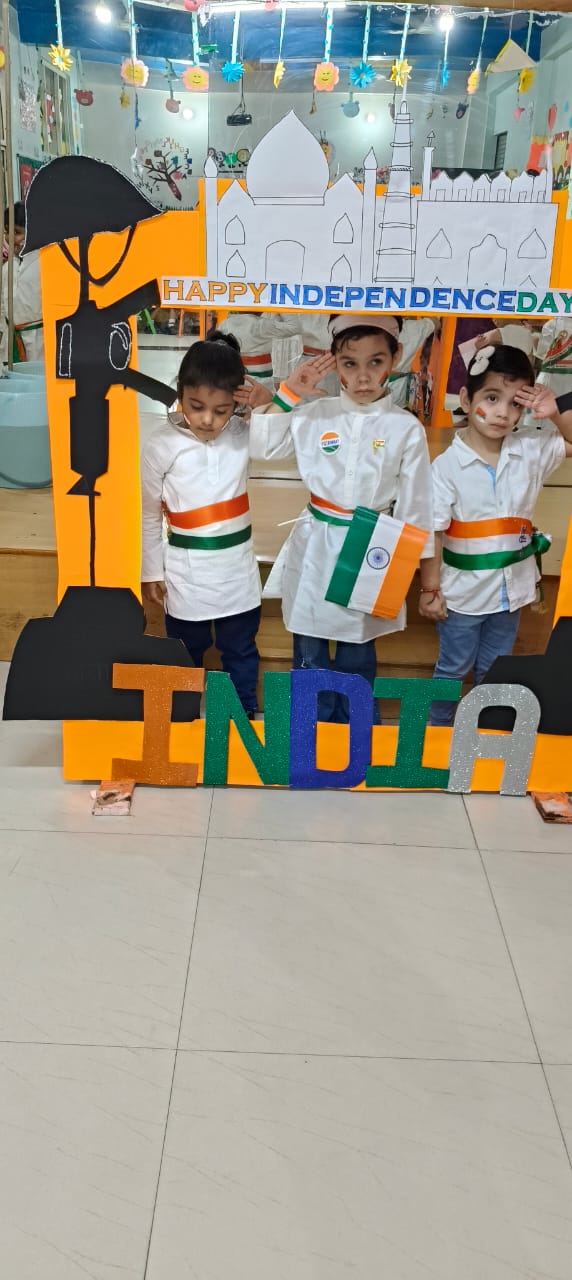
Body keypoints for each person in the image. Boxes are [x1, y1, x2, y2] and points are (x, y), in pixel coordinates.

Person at [249, 315, 434, 722]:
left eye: (375, 362)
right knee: (309, 646)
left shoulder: (405, 427)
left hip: (373, 547)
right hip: (316, 542)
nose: (363, 376)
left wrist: (424, 576)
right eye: (350, 363)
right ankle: (310, 728)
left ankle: (355, 729)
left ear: (395, 358)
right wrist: (288, 394)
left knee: (357, 648)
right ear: (334, 362)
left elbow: (418, 504)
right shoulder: (315, 415)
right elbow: (264, 449)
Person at [419, 343, 572, 725]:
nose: (503, 413)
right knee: (454, 667)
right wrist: (430, 589)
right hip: (462, 596)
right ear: (467, 400)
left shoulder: (531, 449)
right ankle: (438, 729)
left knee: (495, 669)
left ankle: (485, 730)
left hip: (511, 592)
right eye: (492, 398)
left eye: (516, 403)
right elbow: (432, 532)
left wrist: (556, 413)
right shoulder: (445, 468)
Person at [140, 331, 263, 718]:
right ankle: (181, 717)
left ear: (236, 404)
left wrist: (268, 403)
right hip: (185, 571)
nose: (208, 420)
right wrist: (151, 571)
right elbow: (148, 513)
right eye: (196, 406)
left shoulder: (244, 435)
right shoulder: (161, 444)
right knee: (185, 650)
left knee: (240, 650)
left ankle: (243, 717)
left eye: (222, 410)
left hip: (237, 570)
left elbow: (284, 442)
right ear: (180, 392)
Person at [0, 201, 44, 363]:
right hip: (10, 340)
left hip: (38, 340)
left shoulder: (43, 262)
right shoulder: (8, 266)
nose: (10, 238)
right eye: (7, 231)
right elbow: (3, 305)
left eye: (17, 232)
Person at [217, 310, 302, 383]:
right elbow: (294, 327)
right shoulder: (260, 324)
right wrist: (282, 304)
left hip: (233, 377)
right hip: (261, 381)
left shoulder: (225, 324)